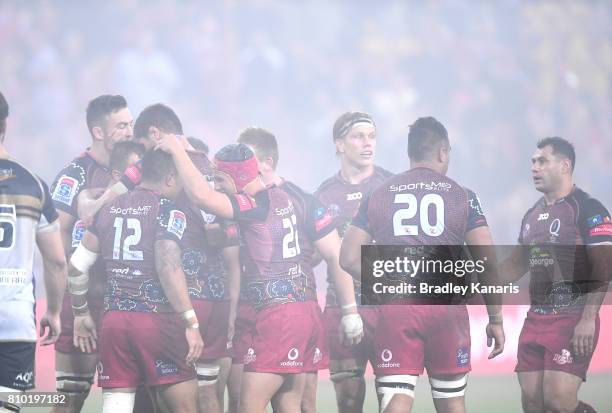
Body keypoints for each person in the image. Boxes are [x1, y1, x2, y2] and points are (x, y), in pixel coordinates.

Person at [339, 116, 505, 413]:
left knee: (396, 401)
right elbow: (487, 261)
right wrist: (495, 318)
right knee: (452, 403)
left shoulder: (377, 194)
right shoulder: (463, 196)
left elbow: (348, 258)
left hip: (398, 309)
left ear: (410, 153)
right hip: (446, 308)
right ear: (443, 152)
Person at [156, 137, 315, 413]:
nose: (216, 186)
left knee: (246, 406)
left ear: (237, 179)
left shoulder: (254, 205)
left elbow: (202, 197)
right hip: (298, 309)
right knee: (288, 405)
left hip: (277, 318)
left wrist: (177, 150)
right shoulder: (280, 195)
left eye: (219, 180)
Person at [237, 127, 363, 413]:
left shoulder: (301, 200)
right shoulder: (241, 199)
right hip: (253, 311)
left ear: (267, 162)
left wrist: (350, 310)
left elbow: (336, 254)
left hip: (288, 313)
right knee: (283, 402)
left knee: (302, 403)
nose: (239, 168)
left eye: (246, 160)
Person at [68, 149, 203, 413]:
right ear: (170, 178)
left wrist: (80, 313)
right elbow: (168, 267)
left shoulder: (108, 209)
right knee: (185, 407)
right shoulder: (169, 210)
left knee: (116, 407)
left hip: (114, 323)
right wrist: (191, 321)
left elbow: (76, 267)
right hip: (157, 322)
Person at [500, 137, 610, 413]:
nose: (534, 167)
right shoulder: (531, 216)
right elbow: (515, 266)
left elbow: (603, 266)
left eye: (542, 161)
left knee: (558, 402)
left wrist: (587, 319)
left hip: (572, 317)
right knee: (533, 404)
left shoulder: (588, 208)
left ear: (564, 165)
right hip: (536, 318)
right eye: (533, 162)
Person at [49, 94, 133, 413]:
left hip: (125, 300)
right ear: (98, 132)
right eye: (121, 125)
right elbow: (58, 231)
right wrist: (69, 297)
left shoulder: (134, 169)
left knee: (128, 398)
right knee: (71, 397)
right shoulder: (76, 173)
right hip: (84, 297)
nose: (129, 131)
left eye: (131, 124)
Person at [314, 111, 392, 413]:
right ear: (340, 144)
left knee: (393, 396)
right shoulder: (323, 195)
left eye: (371, 136)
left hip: (385, 305)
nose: (367, 143)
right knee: (347, 400)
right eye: (359, 136)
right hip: (340, 306)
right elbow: (316, 252)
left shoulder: (392, 186)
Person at [0, 91, 67, 413]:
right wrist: (53, 311)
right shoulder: (34, 185)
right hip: (15, 321)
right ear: (6, 124)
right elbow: (55, 261)